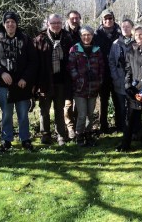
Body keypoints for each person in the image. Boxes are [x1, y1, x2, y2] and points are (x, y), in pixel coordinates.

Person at [0, 11, 37, 151]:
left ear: (16, 24)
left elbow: (33, 62)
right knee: (7, 114)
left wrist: (25, 78)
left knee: (23, 114)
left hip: (22, 84)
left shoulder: (26, 39)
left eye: (13, 22)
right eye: (7, 22)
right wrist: (1, 72)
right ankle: (6, 140)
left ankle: (25, 139)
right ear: (4, 24)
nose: (10, 24)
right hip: (4, 85)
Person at [34, 13, 73, 146]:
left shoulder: (67, 38)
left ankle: (61, 135)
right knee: (44, 110)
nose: (56, 25)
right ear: (48, 24)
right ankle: (45, 135)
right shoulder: (40, 39)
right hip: (45, 81)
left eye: (58, 23)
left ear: (61, 24)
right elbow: (36, 62)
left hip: (61, 80)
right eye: (53, 23)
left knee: (59, 109)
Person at [116, 25, 142, 151]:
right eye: (136, 35)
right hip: (134, 90)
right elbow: (128, 70)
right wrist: (127, 85)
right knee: (130, 119)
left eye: (141, 34)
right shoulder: (130, 51)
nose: (138, 37)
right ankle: (125, 144)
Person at [68, 25, 104, 146]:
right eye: (84, 35)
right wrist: (78, 79)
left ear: (92, 36)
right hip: (80, 88)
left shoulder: (97, 50)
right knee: (82, 115)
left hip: (93, 88)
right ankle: (79, 136)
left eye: (89, 35)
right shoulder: (75, 49)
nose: (86, 37)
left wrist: (99, 81)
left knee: (90, 114)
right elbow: (71, 67)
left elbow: (102, 67)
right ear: (80, 36)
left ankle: (88, 135)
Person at [93, 9, 122, 134]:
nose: (108, 21)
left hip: (117, 72)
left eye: (110, 18)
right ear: (102, 20)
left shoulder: (120, 33)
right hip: (103, 72)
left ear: (113, 19)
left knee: (118, 100)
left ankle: (119, 125)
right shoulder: (96, 35)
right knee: (103, 101)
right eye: (105, 19)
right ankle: (103, 126)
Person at [109, 18, 134, 132]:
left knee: (132, 107)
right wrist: (115, 77)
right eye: (123, 26)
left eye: (127, 26)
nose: (125, 28)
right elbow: (111, 61)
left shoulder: (136, 43)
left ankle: (133, 128)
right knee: (121, 107)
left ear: (132, 28)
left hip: (133, 81)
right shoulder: (115, 44)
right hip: (119, 79)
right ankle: (122, 128)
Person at [63, 10, 82, 140]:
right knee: (68, 104)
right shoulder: (63, 33)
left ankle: (78, 128)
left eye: (77, 18)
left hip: (81, 73)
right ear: (68, 19)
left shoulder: (83, 33)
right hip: (66, 74)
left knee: (79, 103)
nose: (74, 20)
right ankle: (69, 127)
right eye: (72, 18)